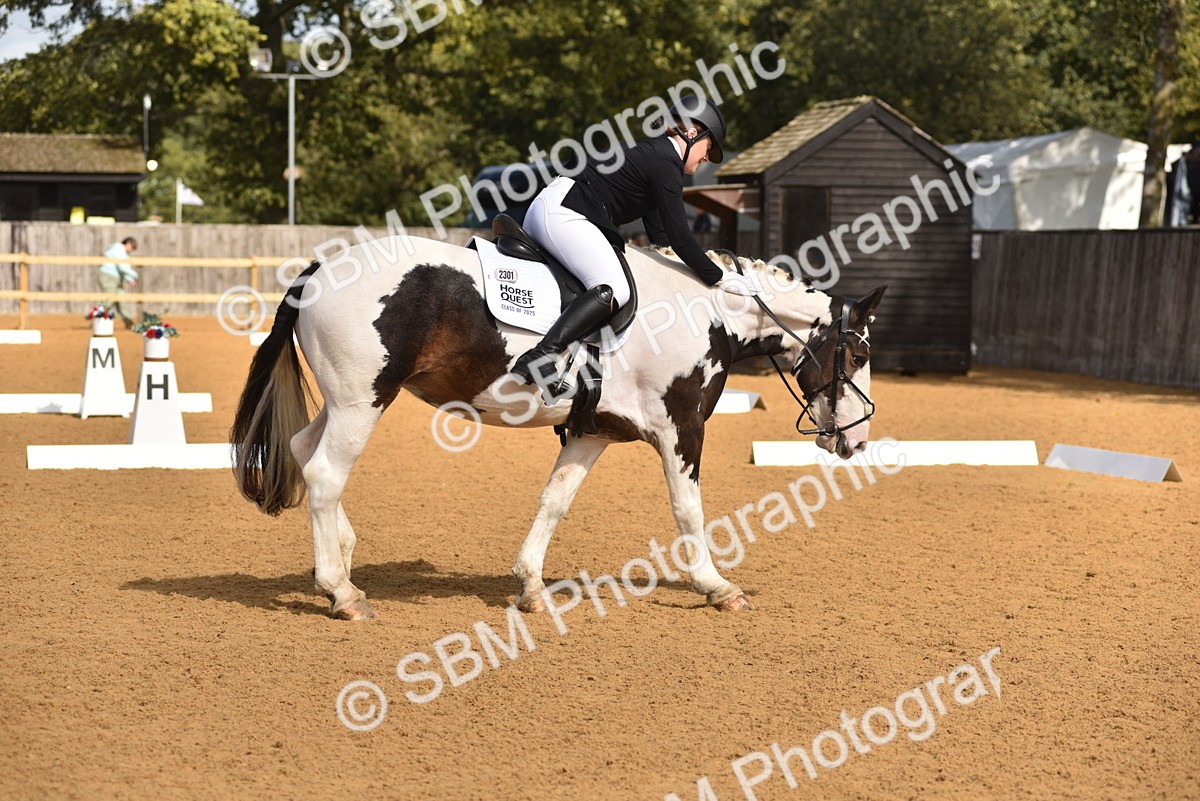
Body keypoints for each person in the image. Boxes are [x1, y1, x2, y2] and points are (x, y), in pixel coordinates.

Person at [510, 96, 759, 386]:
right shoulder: (666, 160)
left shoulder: (656, 156)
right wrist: (720, 277)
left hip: (554, 208)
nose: (707, 157)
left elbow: (662, 238)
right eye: (709, 147)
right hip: (565, 212)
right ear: (693, 133)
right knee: (615, 288)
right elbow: (680, 237)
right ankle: (542, 355)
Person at [98, 236, 139, 328]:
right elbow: (122, 266)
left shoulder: (121, 251)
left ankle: (129, 322)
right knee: (108, 299)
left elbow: (121, 268)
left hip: (115, 278)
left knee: (122, 298)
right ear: (128, 244)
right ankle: (96, 318)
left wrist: (129, 279)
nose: (131, 250)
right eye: (132, 248)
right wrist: (135, 275)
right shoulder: (119, 249)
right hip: (108, 276)